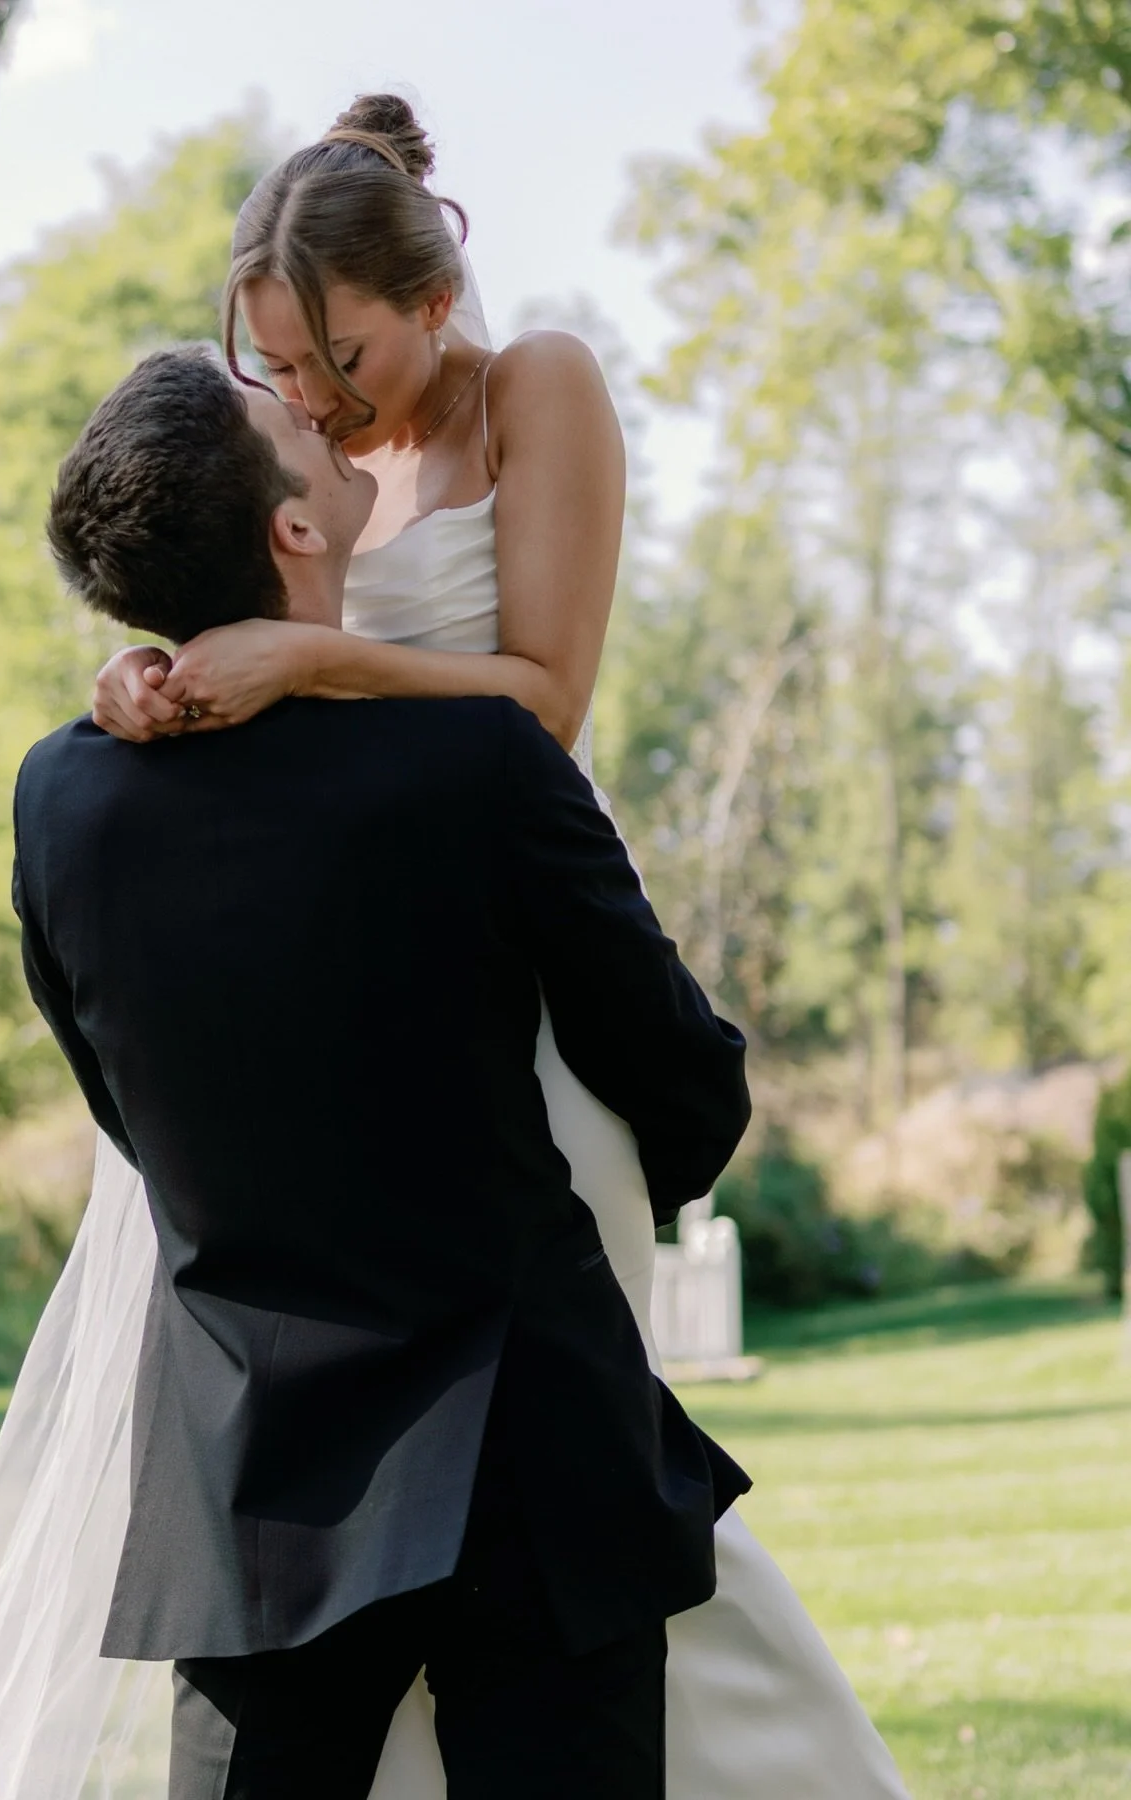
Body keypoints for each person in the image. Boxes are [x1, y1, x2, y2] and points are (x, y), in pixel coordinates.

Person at [88, 95, 911, 1800]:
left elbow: (544, 701)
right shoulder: (292, 449)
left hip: (520, 988)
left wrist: (307, 666)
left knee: (561, 1446)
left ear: (436, 291)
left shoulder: (539, 385)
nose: (308, 397)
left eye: (341, 353)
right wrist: (148, 685)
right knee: (329, 1492)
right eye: (277, 364)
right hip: (334, 1021)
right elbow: (225, 619)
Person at [20, 342, 753, 1797]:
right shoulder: (479, 762)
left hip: (251, 1473)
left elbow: (126, 1110)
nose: (305, 402)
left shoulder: (62, 797)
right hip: (525, 1448)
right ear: (294, 527)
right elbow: (686, 1079)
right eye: (275, 411)